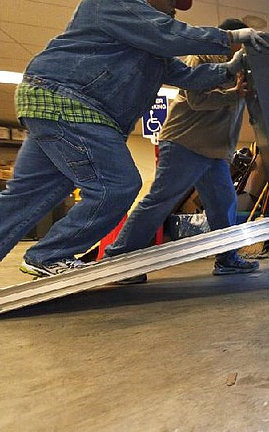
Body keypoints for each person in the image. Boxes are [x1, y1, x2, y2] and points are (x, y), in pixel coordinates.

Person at [0, 0, 269, 281]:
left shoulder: (152, 52)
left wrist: (232, 67)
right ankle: (51, 254)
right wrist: (231, 38)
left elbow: (190, 78)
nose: (173, 6)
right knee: (118, 185)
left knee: (24, 197)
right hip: (71, 102)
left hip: (58, 108)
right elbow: (167, 33)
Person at [104, 18, 260, 284]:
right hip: (184, 143)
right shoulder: (201, 58)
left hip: (214, 151)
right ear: (230, 40)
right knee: (161, 201)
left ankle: (227, 259)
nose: (241, 50)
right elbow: (197, 100)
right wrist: (234, 94)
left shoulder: (242, 69)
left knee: (224, 205)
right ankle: (120, 260)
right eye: (239, 44)